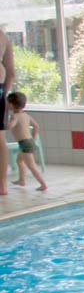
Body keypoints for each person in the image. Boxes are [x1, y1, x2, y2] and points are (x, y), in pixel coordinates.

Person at [7, 92, 46, 191]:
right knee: (19, 161)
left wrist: (8, 122)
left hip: (24, 143)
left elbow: (9, 126)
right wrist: (32, 137)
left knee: (31, 165)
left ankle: (43, 184)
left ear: (11, 104)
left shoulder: (15, 117)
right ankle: (22, 180)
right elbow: (36, 126)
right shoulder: (25, 115)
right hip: (28, 141)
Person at [0, 31, 13, 195]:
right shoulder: (3, 36)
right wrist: (4, 96)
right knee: (0, 140)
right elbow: (11, 74)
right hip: (0, 89)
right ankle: (2, 184)